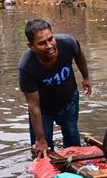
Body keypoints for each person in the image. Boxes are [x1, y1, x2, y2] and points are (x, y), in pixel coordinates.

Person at [18, 19, 92, 158]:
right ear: (31, 46)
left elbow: (79, 55)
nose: (49, 45)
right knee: (42, 150)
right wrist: (40, 139)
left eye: (50, 39)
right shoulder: (27, 66)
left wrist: (86, 77)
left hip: (68, 99)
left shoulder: (67, 43)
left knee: (73, 144)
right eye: (42, 43)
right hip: (43, 109)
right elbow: (33, 105)